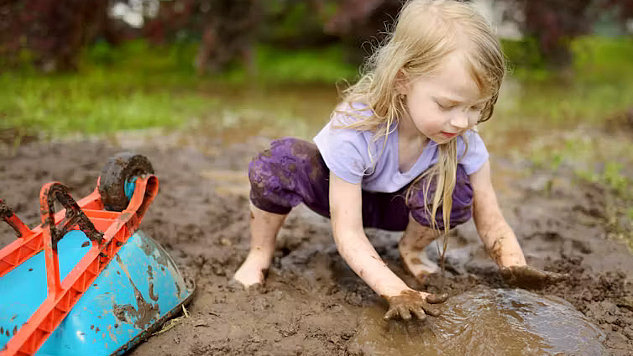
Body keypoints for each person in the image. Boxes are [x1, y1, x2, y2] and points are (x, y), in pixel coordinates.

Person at [233, 0, 562, 320]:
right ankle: (259, 253)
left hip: (400, 209)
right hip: (343, 198)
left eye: (475, 108)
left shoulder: (463, 140)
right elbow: (347, 233)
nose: (462, 122)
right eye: (447, 106)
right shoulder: (356, 128)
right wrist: (395, 289)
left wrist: (514, 265)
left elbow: (490, 217)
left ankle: (413, 249)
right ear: (403, 80)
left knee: (458, 188)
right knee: (278, 161)